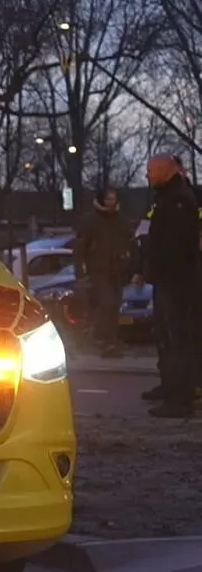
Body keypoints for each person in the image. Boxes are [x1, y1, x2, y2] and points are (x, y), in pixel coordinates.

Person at [141, 154, 199, 417]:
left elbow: (176, 246)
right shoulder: (166, 197)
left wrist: (162, 270)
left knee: (178, 340)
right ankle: (171, 388)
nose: (148, 175)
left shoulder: (178, 200)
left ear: (166, 170)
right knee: (167, 337)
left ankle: (180, 399)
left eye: (152, 170)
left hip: (177, 282)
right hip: (168, 280)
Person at [75, 186, 133, 357]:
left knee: (114, 305)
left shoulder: (121, 220)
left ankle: (111, 339)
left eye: (113, 199)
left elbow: (129, 242)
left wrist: (131, 265)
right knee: (106, 303)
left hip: (118, 269)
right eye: (108, 199)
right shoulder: (91, 221)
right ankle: (104, 339)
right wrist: (81, 269)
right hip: (98, 269)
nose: (111, 202)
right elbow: (80, 247)